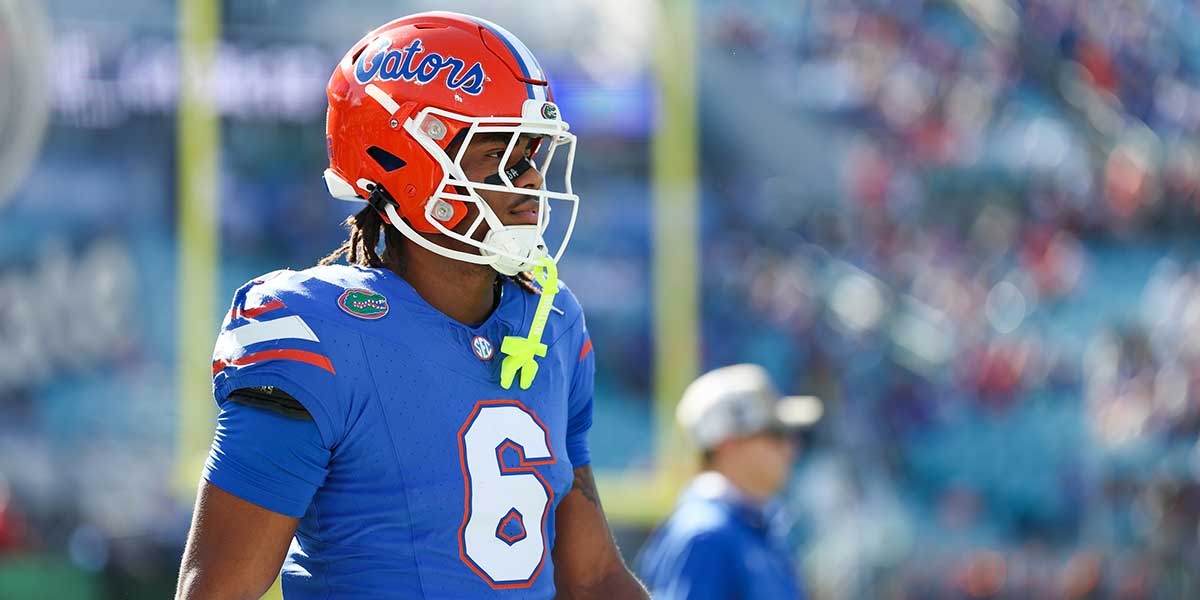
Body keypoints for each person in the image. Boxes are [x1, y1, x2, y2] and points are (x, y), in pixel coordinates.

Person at [176, 12, 647, 599]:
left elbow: (595, 577)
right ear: (406, 162)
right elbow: (219, 592)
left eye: (531, 156)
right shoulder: (315, 331)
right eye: (499, 156)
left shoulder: (550, 322)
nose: (529, 182)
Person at [635, 364, 821, 600]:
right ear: (729, 443)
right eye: (776, 434)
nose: (790, 449)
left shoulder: (757, 528)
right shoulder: (704, 536)